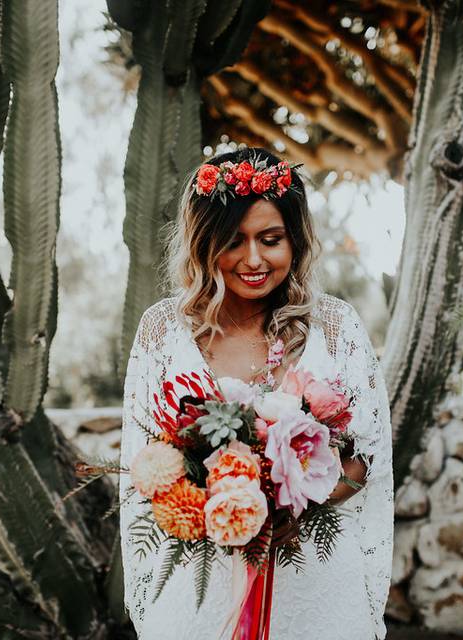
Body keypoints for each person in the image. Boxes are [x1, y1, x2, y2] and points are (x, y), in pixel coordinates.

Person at [119, 147, 393, 639]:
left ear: (296, 241)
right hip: (201, 588)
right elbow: (144, 469)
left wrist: (296, 502)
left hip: (314, 586)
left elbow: (365, 464)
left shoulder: (335, 326)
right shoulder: (162, 331)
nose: (253, 259)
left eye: (271, 239)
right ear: (204, 244)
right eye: (233, 241)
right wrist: (217, 505)